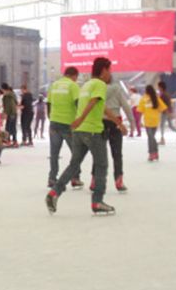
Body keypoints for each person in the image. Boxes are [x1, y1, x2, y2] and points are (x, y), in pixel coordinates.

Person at [45, 57, 121, 216]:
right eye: (110, 70)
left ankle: (54, 193)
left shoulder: (87, 84)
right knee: (101, 165)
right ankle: (97, 201)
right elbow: (93, 102)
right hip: (92, 131)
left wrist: (116, 121)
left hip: (79, 132)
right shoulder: (99, 84)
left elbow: (101, 107)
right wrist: (80, 119)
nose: (110, 74)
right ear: (104, 70)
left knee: (74, 165)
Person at [94, 82, 136, 193]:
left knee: (99, 152)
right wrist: (132, 123)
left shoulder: (98, 89)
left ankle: (94, 179)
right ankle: (119, 180)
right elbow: (126, 106)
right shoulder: (117, 89)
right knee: (117, 154)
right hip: (115, 122)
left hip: (100, 121)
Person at [46, 67, 83, 188]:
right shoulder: (73, 86)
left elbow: (48, 103)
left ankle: (52, 178)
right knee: (76, 152)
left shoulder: (54, 85)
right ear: (74, 76)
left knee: (54, 153)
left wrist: (50, 117)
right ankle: (75, 178)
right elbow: (78, 103)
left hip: (54, 123)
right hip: (69, 124)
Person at [138, 85, 168, 162]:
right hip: (155, 120)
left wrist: (139, 121)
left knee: (151, 137)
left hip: (148, 121)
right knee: (151, 137)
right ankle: (155, 153)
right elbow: (164, 108)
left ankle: (152, 153)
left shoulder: (144, 99)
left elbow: (140, 110)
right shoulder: (156, 98)